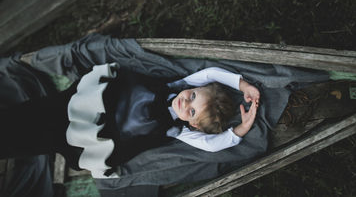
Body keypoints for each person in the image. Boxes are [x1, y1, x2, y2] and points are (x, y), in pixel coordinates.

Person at [1, 64, 260, 178]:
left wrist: (240, 129)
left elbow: (211, 145)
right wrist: (243, 84)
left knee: (37, 140)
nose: (186, 103)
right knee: (33, 112)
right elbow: (210, 73)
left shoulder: (176, 130)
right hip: (84, 102)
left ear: (192, 123)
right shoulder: (176, 85)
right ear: (193, 87)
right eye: (192, 96)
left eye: (192, 111)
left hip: (91, 132)